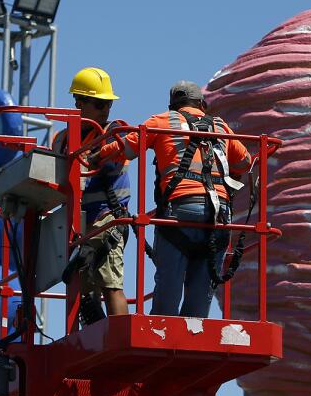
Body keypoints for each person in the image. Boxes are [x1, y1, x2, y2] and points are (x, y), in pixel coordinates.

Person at [92, 80, 251, 318]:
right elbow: (245, 161)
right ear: (201, 104)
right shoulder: (220, 126)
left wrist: (95, 155)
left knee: (167, 294)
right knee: (199, 305)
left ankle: (161, 336)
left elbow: (127, 147)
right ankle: (192, 341)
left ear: (173, 105)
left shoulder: (163, 120)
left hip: (180, 215)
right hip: (219, 218)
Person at [53, 67, 131, 322]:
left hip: (108, 218)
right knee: (84, 291)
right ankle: (95, 337)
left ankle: (119, 337)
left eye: (107, 103)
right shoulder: (65, 138)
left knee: (109, 283)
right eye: (99, 104)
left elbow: (112, 160)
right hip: (79, 223)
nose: (106, 109)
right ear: (78, 101)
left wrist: (90, 156)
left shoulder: (115, 131)